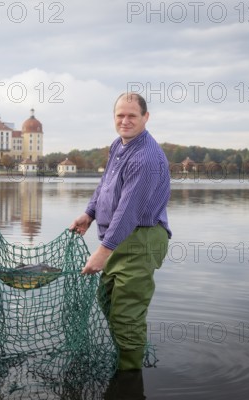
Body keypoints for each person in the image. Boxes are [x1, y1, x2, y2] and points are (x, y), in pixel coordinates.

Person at [69, 92, 171, 371]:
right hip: (120, 238)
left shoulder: (146, 158)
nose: (125, 121)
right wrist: (89, 214)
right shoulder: (119, 145)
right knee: (107, 298)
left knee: (126, 315)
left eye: (132, 116)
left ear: (145, 118)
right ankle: (126, 356)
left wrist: (102, 253)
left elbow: (129, 210)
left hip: (142, 238)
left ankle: (129, 376)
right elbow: (105, 184)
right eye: (120, 115)